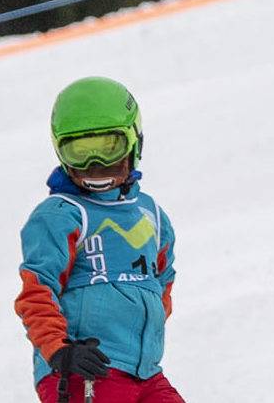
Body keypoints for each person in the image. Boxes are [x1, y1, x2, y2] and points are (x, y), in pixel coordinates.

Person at [15, 77, 184, 403]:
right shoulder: (61, 215)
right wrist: (59, 351)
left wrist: (144, 334)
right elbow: (37, 291)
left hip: (145, 372)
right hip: (85, 371)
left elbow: (162, 280)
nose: (96, 166)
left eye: (109, 148)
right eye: (79, 152)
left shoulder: (152, 216)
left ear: (135, 142)